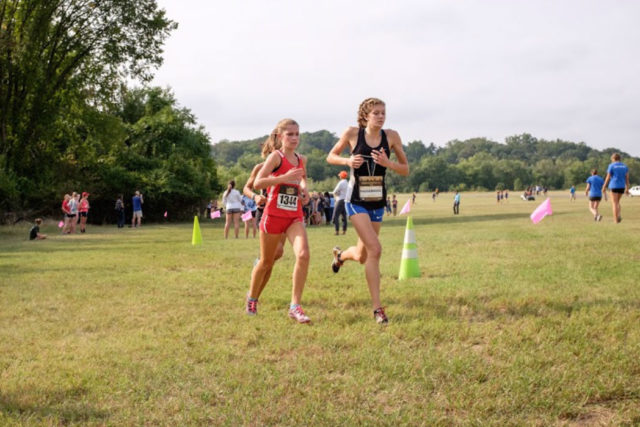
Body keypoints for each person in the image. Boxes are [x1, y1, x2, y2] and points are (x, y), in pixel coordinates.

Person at [327, 97, 409, 324]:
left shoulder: (391, 136)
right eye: (376, 113)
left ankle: (340, 257)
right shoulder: (353, 133)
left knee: (363, 255)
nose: (381, 116)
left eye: (383, 112)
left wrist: (387, 163)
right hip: (356, 200)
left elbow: (405, 169)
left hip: (377, 202)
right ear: (365, 115)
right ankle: (377, 309)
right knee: (376, 249)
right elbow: (330, 156)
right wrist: (347, 161)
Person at [246, 118, 312, 323]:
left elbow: (301, 178)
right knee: (267, 261)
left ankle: (295, 306)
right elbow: (257, 183)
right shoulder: (276, 157)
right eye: (290, 134)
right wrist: (282, 178)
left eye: (297, 134)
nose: (294, 138)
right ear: (280, 136)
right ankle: (252, 298)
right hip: (273, 216)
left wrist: (304, 190)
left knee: (303, 254)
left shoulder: (301, 159)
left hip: (294, 215)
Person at [602, 153, 630, 224]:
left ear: (613, 159)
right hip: (622, 186)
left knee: (614, 203)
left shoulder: (611, 165)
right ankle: (619, 215)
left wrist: (604, 186)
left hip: (614, 185)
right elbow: (627, 178)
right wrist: (627, 188)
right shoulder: (624, 166)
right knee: (617, 202)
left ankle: (615, 220)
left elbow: (608, 177)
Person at [332, 171, 349, 235]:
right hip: (345, 201)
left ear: (341, 176)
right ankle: (344, 231)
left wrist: (336, 198)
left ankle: (337, 231)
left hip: (340, 200)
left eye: (340, 176)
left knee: (335, 216)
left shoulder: (341, 183)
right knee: (344, 216)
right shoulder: (347, 183)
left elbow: (334, 192)